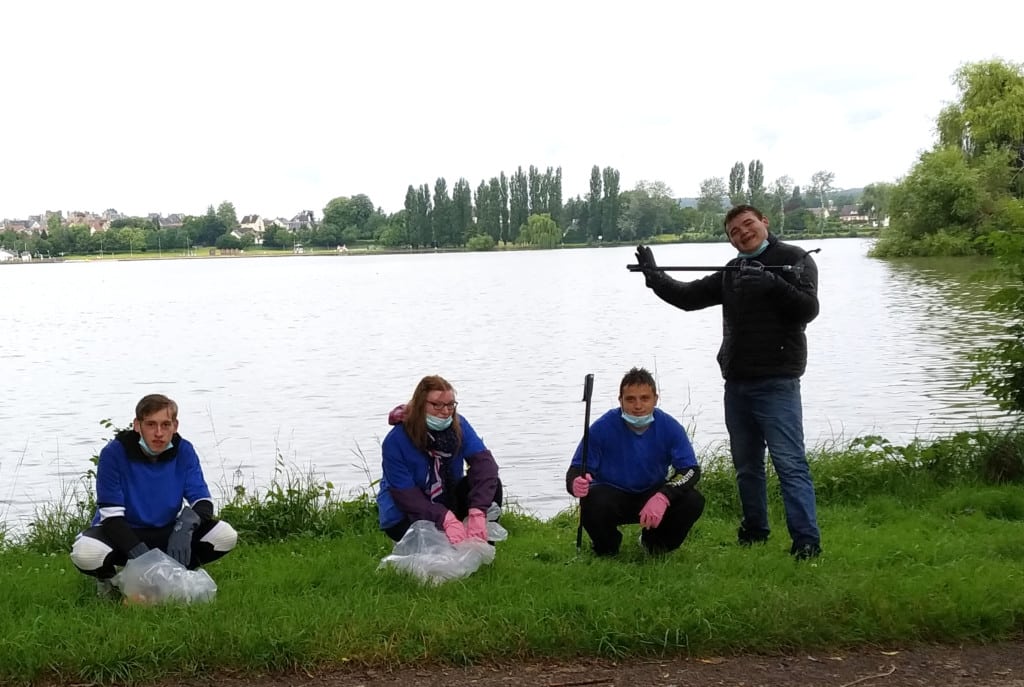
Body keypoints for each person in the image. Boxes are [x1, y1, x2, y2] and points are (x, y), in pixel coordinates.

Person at [634, 203, 822, 559]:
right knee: (747, 466)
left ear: (764, 223)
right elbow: (688, 298)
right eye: (734, 232)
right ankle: (754, 530)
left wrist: (771, 283)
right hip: (737, 383)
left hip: (778, 382)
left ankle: (806, 542)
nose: (743, 233)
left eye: (748, 224)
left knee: (790, 463)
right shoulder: (733, 271)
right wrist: (654, 276)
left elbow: (808, 309)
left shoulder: (795, 259)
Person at [70, 394, 238, 594]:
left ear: (175, 426)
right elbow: (111, 517)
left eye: (165, 425)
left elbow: (203, 502)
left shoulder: (184, 450)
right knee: (86, 552)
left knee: (225, 535)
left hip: (167, 531)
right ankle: (110, 582)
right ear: (137, 425)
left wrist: (185, 526)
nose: (159, 433)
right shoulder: (114, 453)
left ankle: (178, 572)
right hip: (122, 531)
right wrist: (144, 559)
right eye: (151, 424)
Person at [565, 367, 705, 556]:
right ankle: (607, 547)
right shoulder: (602, 427)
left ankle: (655, 544)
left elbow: (690, 470)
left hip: (652, 493)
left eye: (645, 398)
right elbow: (576, 469)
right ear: (620, 400)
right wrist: (575, 483)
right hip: (613, 495)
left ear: (656, 399)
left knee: (693, 500)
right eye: (630, 399)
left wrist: (664, 496)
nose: (638, 406)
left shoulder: (670, 427)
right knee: (591, 500)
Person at [377, 375, 502, 543]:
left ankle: (481, 546)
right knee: (431, 555)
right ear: (421, 404)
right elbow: (405, 495)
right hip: (404, 512)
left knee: (492, 484)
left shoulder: (459, 425)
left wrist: (477, 511)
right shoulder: (395, 441)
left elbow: (485, 465)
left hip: (447, 499)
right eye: (436, 405)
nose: (445, 412)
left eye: (450, 405)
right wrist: (444, 518)